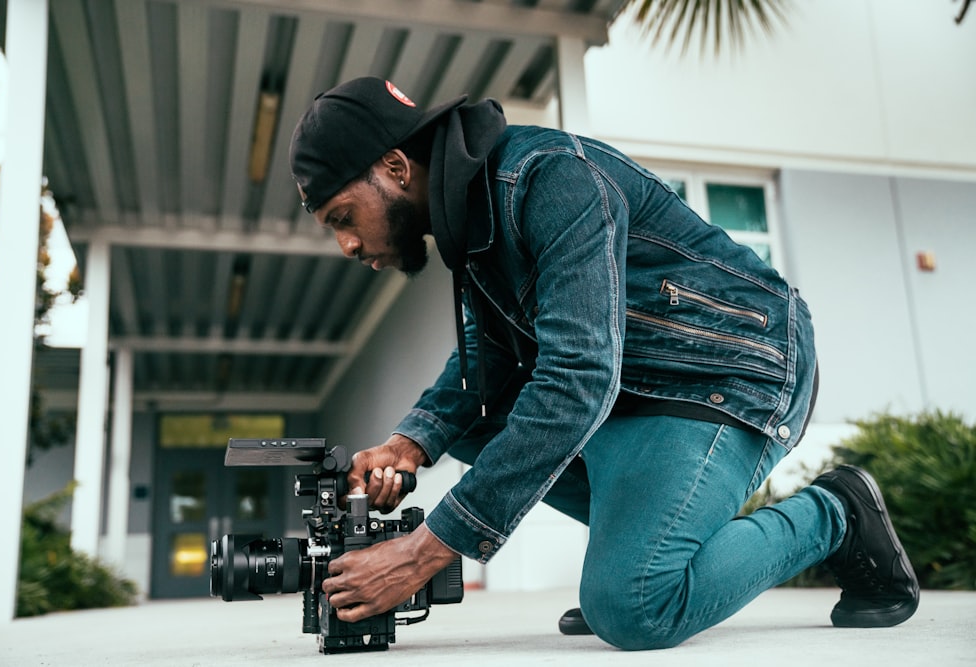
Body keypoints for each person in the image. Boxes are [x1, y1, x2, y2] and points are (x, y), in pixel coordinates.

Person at [287, 77, 919, 649]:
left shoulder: (550, 178)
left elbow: (578, 378)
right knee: (476, 421)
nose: (346, 243)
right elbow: (486, 362)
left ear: (395, 167)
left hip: (728, 374)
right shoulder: (471, 229)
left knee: (634, 605)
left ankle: (835, 512)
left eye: (342, 217)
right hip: (639, 392)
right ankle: (638, 545)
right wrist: (410, 442)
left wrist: (420, 553)